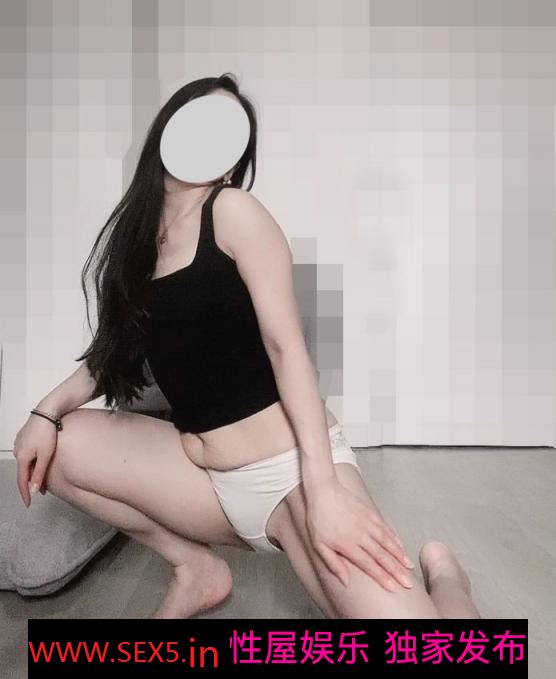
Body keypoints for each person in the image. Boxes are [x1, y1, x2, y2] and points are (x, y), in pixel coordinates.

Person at [13, 73, 481, 620]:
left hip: (291, 474)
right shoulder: (139, 242)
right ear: (168, 128)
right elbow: (114, 354)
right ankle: (196, 569)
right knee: (55, 447)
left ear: (234, 157)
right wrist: (43, 412)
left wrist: (324, 492)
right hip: (203, 482)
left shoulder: (233, 211)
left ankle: (448, 579)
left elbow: (288, 349)